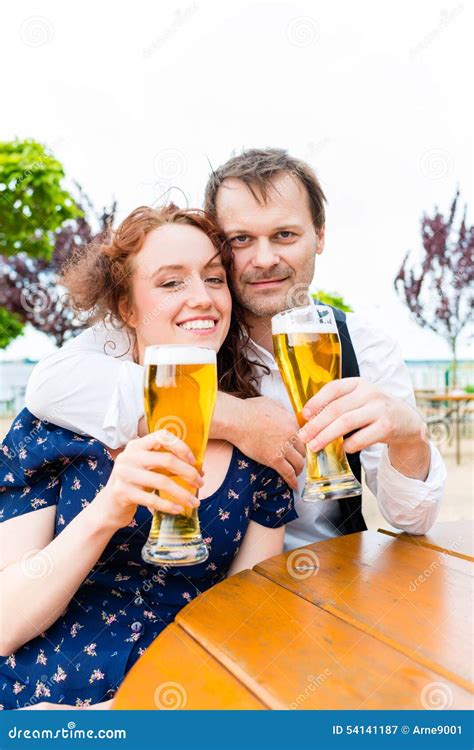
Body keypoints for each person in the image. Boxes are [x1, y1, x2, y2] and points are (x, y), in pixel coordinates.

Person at [25, 148, 446, 547]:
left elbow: (412, 519)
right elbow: (49, 386)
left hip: (325, 577)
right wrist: (237, 418)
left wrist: (409, 436)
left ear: (319, 236)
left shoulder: (366, 347)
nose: (264, 259)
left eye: (284, 235)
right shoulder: (187, 328)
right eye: (241, 239)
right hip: (205, 587)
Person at [0, 206, 296, 709]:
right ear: (127, 307)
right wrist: (106, 511)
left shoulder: (261, 443)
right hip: (35, 700)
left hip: (178, 701)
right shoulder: (55, 426)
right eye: (171, 283)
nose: (201, 298)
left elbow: (248, 631)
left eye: (213, 278)